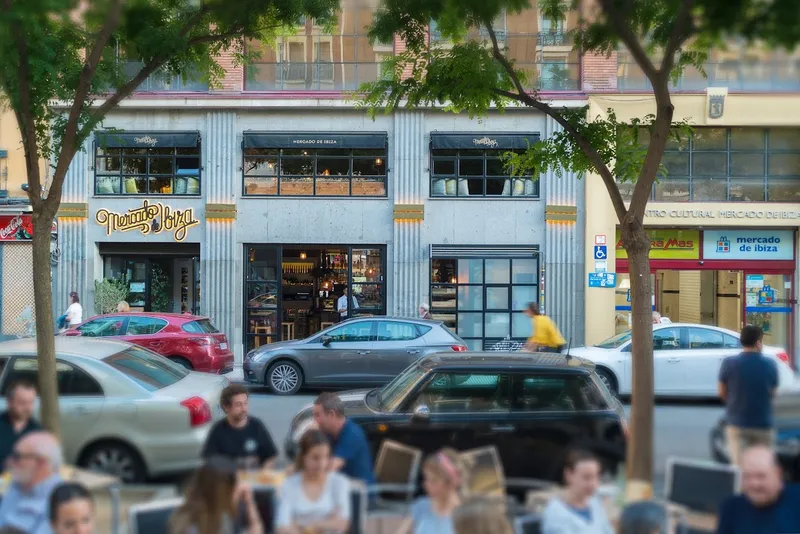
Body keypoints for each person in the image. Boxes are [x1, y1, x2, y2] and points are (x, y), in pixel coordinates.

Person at [718, 325, 778, 466]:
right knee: (762, 469)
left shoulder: (729, 363)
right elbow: (773, 393)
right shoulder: (770, 364)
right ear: (758, 343)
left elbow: (721, 392)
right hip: (763, 424)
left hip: (737, 423)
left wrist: (734, 402)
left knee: (739, 470)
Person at [276, 429, 350, 534]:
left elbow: (342, 523)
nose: (322, 464)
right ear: (304, 458)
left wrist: (303, 524)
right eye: (315, 458)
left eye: (326, 457)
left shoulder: (338, 483)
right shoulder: (290, 485)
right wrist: (328, 521)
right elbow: (282, 526)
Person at [716, 446, 800, 534]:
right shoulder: (732, 508)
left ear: (778, 474)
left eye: (761, 476)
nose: (754, 484)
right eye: (747, 476)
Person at [170, 456, 263, 534]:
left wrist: (249, 502)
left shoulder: (221, 517)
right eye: (235, 487)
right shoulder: (191, 526)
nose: (239, 491)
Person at [202, 384, 278, 471]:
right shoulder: (218, 430)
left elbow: (271, 455)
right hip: (228, 482)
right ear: (226, 407)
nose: (244, 409)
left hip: (254, 480)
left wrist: (264, 472)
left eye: (245, 403)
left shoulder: (257, 426)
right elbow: (209, 460)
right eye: (238, 405)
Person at [0, 431, 63, 534]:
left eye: (17, 457)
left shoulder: (61, 503)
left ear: (41, 462)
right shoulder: (17, 484)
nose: (9, 461)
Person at [541, 450, 614, 534]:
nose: (593, 484)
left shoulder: (595, 503)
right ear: (569, 475)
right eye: (587, 477)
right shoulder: (556, 513)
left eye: (596, 477)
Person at [312, 392, 374, 485]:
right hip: (341, 489)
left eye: (317, 415)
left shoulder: (352, 434)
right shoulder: (329, 433)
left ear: (331, 414)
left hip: (360, 494)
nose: (314, 420)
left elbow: (330, 469)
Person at [400, 448, 463, 534]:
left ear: (451, 483)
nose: (426, 485)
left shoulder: (467, 515)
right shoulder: (420, 507)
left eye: (433, 481)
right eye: (426, 479)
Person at [0, 381, 41, 468]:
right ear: (9, 402)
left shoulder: (38, 431)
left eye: (31, 402)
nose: (27, 407)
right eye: (22, 402)